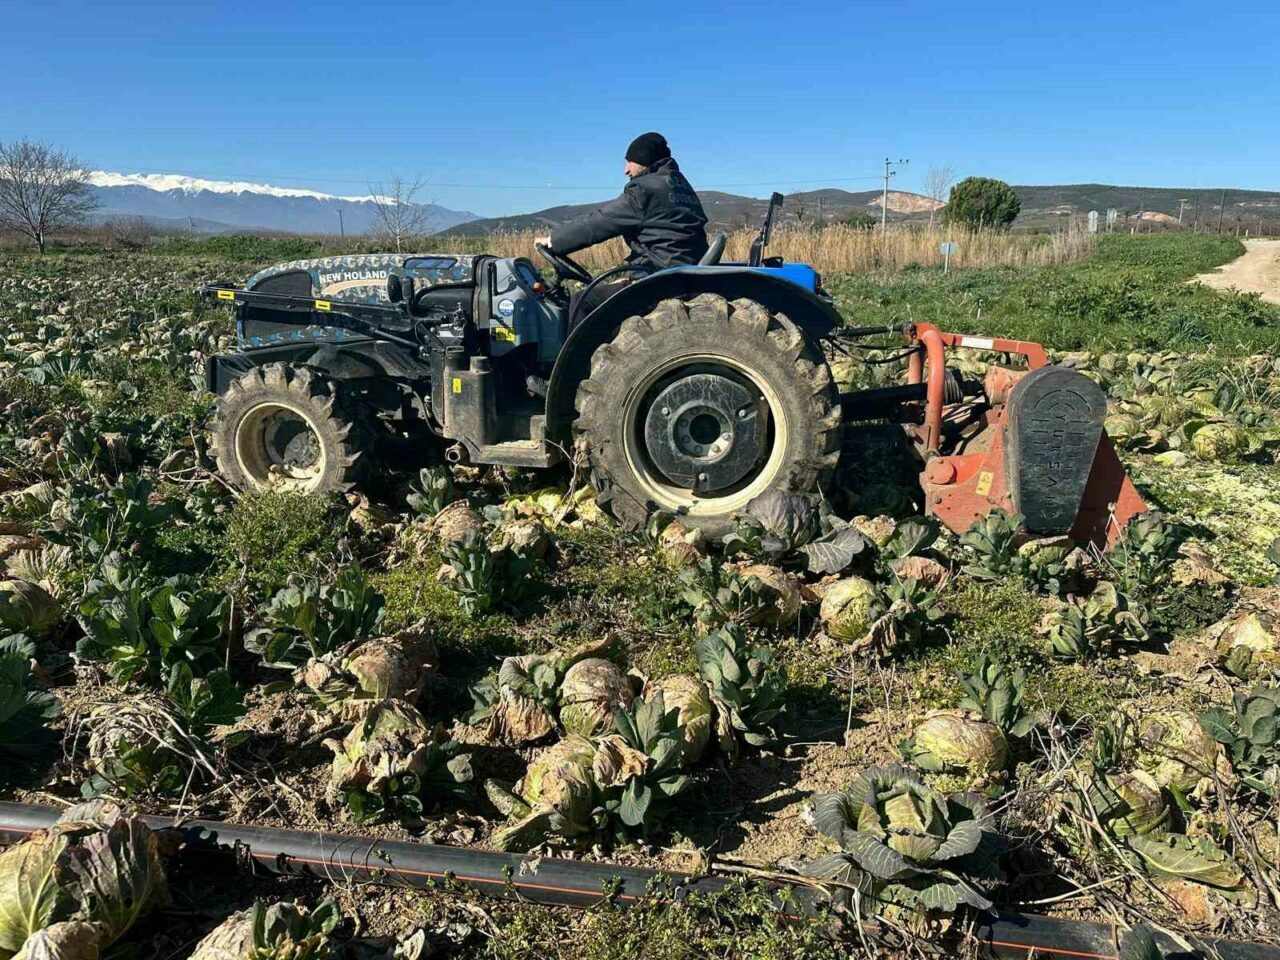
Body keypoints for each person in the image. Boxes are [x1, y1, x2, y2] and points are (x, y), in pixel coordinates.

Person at [537, 132, 708, 319]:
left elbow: (600, 222)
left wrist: (553, 241)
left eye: (630, 162)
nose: (626, 170)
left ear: (645, 160)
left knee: (583, 301)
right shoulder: (679, 185)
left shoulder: (644, 190)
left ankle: (571, 349)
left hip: (660, 279)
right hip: (677, 273)